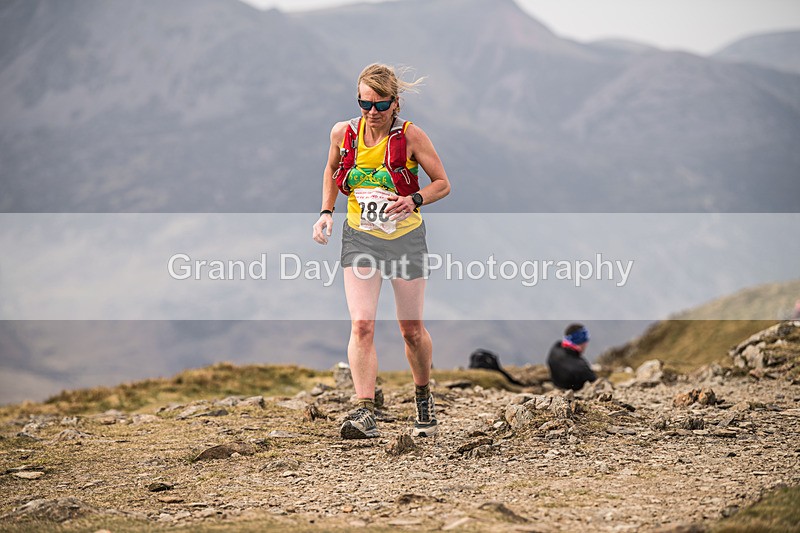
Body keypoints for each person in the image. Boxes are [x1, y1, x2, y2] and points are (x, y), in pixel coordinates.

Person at [312, 64, 451, 439]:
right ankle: (364, 410)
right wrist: (326, 212)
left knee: (411, 331)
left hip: (405, 239)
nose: (372, 112)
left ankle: (422, 396)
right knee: (362, 324)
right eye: (365, 103)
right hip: (360, 237)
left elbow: (442, 183)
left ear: (395, 103)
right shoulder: (343, 133)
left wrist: (414, 199)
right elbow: (331, 169)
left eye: (380, 104)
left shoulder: (411, 136)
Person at [547, 323, 597, 391]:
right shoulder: (581, 367)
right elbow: (593, 381)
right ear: (582, 341)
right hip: (574, 392)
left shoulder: (555, 349)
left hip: (557, 386)